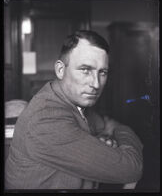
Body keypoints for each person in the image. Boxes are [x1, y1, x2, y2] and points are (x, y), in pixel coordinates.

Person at [5, 30, 143, 190]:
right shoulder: (46, 118)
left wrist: (97, 141)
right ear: (60, 70)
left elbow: (105, 123)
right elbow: (131, 169)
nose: (96, 84)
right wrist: (125, 131)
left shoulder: (68, 99)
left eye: (102, 72)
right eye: (85, 70)